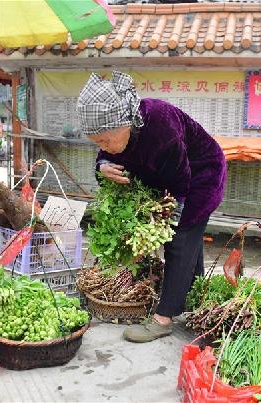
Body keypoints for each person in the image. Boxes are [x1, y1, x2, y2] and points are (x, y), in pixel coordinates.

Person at [76, 71, 227, 343]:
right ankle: (193, 294)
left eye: (105, 140)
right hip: (169, 177)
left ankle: (164, 319)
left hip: (201, 175)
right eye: (97, 142)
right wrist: (102, 167)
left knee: (179, 239)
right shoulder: (115, 133)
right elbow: (104, 157)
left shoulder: (160, 128)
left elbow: (180, 186)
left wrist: (160, 222)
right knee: (189, 244)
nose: (104, 146)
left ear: (126, 123)